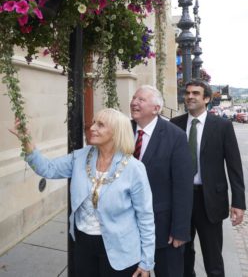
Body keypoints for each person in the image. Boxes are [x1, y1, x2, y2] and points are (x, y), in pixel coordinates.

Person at [10, 108, 155, 277]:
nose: (92, 127)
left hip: (121, 249)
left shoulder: (134, 169)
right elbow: (47, 169)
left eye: (100, 125)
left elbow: (145, 216)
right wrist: (26, 141)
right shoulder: (79, 158)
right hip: (83, 245)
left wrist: (146, 262)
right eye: (93, 122)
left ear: (116, 132)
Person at [170, 79, 246, 277]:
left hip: (210, 200)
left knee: (213, 259)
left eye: (195, 93)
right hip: (181, 201)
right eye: (187, 93)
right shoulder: (174, 125)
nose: (190, 97)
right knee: (183, 255)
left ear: (206, 98)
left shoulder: (222, 126)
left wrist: (238, 202)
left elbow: (234, 166)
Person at [130, 85, 193, 277]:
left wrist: (180, 229)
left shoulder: (176, 136)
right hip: (127, 226)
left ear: (156, 108)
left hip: (163, 228)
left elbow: (183, 187)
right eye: (134, 98)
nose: (134, 102)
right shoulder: (122, 130)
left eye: (141, 100)